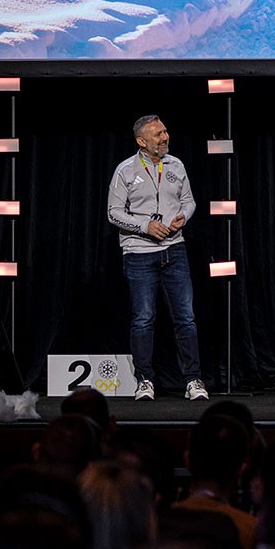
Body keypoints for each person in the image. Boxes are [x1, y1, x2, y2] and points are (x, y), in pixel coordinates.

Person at [107, 114, 207, 402]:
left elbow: (189, 200)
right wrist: (144, 226)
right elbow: (113, 212)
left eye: (165, 131)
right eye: (158, 134)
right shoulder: (125, 170)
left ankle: (193, 379)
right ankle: (145, 379)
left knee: (186, 318)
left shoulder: (176, 165)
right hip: (139, 253)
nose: (165, 137)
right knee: (143, 319)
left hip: (175, 250)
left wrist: (182, 217)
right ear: (142, 141)